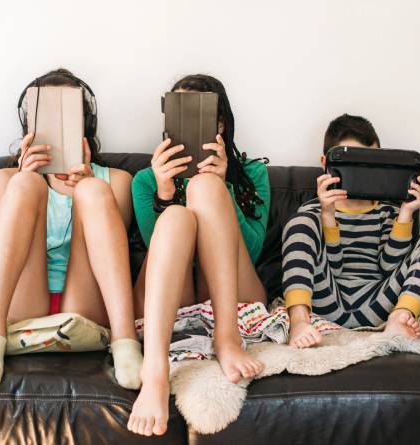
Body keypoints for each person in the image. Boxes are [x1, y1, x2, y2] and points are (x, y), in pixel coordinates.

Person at [0, 68, 143, 390]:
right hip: (23, 305)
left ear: (85, 123)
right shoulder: (4, 179)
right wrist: (24, 178)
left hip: (85, 305)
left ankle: (125, 343)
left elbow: (109, 250)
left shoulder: (117, 181)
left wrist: (83, 187)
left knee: (94, 191)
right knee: (25, 184)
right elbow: (11, 245)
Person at [127, 74, 271, 436]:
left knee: (205, 186)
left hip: (230, 294)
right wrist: (164, 194)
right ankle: (155, 369)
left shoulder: (253, 173)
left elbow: (250, 251)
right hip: (172, 299)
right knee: (175, 215)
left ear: (219, 123)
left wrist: (223, 187)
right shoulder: (145, 179)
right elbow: (154, 247)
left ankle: (227, 337)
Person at [283, 113, 420, 349]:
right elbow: (335, 267)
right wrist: (328, 215)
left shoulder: (388, 211)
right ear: (326, 163)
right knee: (300, 222)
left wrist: (406, 213)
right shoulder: (314, 211)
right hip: (327, 302)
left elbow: (389, 267)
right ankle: (299, 321)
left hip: (380, 304)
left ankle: (400, 317)